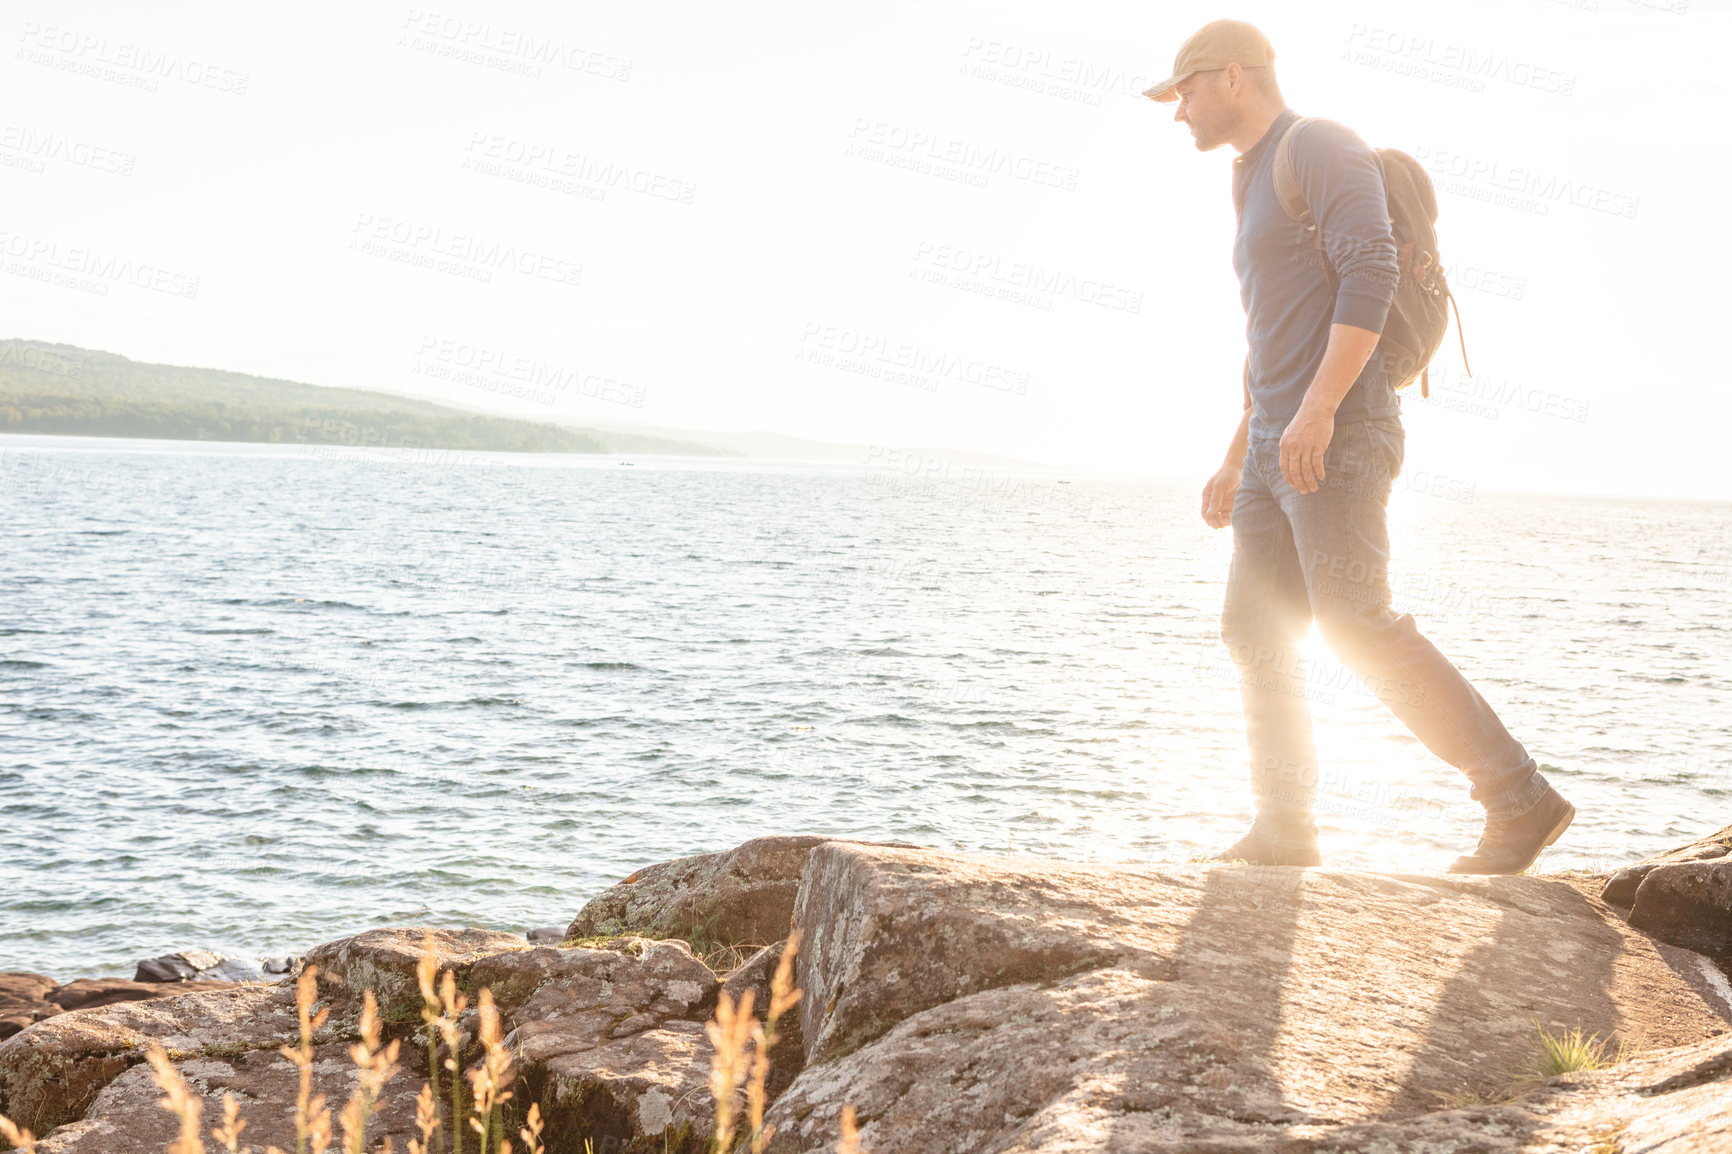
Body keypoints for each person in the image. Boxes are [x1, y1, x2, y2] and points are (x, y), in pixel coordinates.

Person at [1145, 20, 1574, 873]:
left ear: (1234, 77)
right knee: (1254, 629)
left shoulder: (1320, 146)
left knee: (1353, 622)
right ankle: (1284, 828)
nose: (1178, 110)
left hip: (1335, 433)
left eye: (1184, 90)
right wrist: (1241, 450)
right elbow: (1268, 333)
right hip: (1276, 438)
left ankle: (1518, 799)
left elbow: (1372, 272)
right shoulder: (1248, 176)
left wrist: (1319, 411)